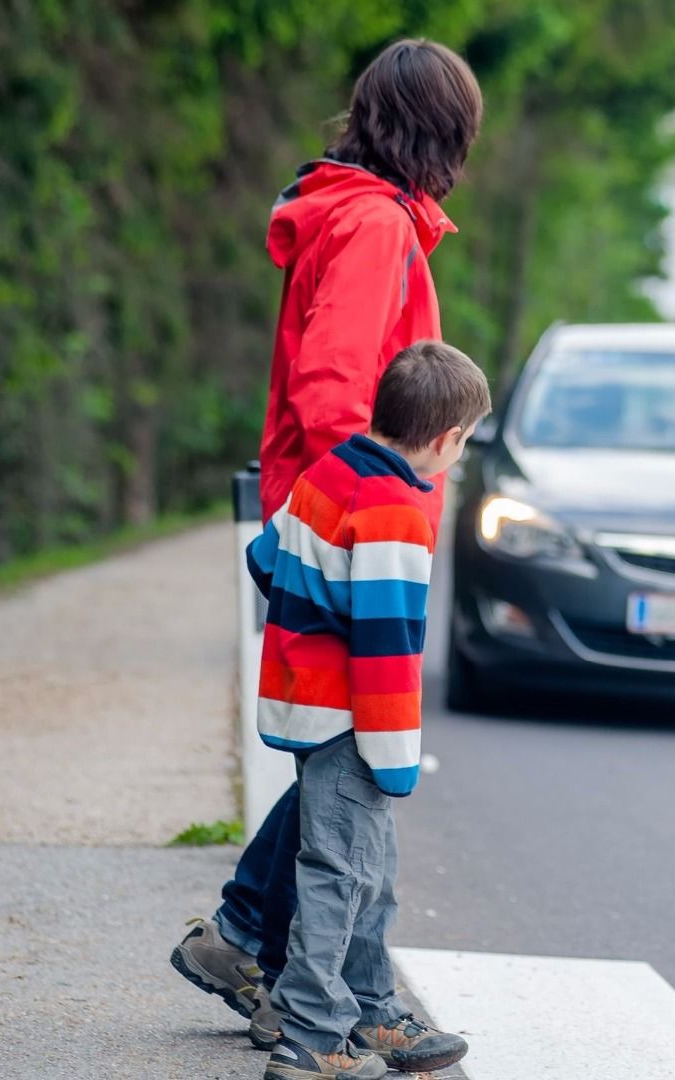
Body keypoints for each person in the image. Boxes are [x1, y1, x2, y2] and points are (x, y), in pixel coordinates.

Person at [168, 35, 482, 1061]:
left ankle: (246, 940)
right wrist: (378, 505)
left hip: (323, 516)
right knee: (353, 769)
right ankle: (342, 1004)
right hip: (351, 528)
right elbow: (332, 392)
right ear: (441, 135)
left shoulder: (352, 214)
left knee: (335, 768)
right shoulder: (374, 227)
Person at [252, 342, 491, 1079]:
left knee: (367, 864)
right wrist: (394, 759)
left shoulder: (330, 471)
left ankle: (371, 1007)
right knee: (339, 870)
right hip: (351, 719)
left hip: (302, 697)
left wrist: (315, 600)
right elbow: (386, 652)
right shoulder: (395, 512)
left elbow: (267, 556)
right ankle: (314, 1034)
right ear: (446, 441)